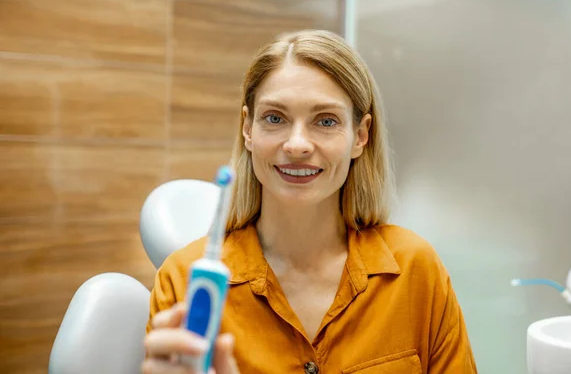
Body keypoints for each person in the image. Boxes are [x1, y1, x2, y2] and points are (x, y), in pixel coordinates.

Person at [143, 29, 478, 374]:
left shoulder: (415, 270)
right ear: (247, 129)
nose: (297, 145)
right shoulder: (181, 282)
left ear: (360, 136)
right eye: (275, 118)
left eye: (326, 121)